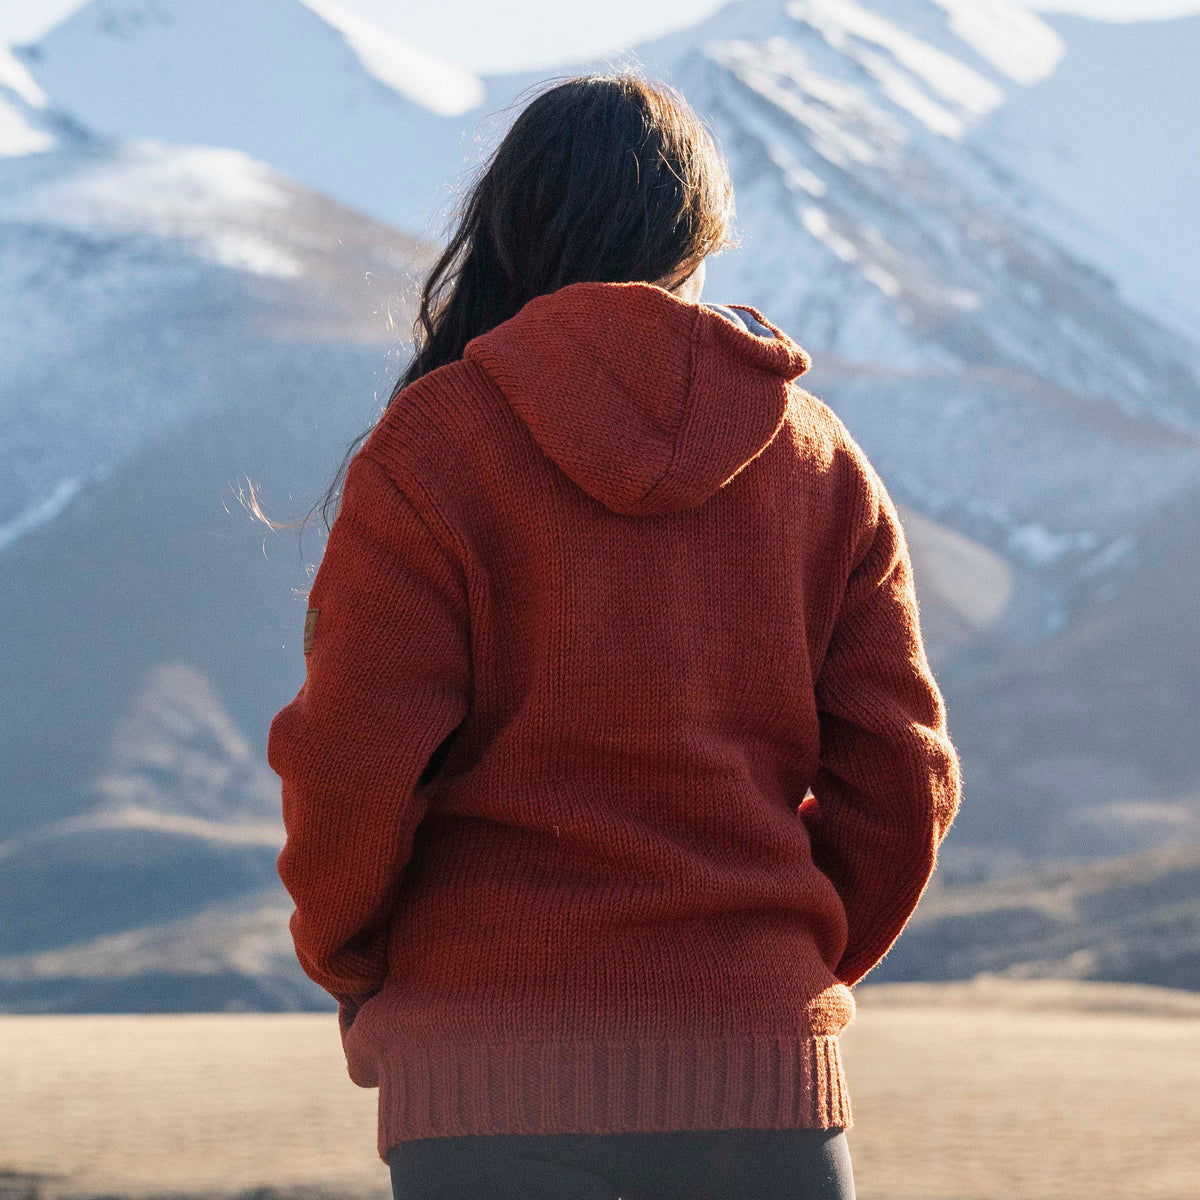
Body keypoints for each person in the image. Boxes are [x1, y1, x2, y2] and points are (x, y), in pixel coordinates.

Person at [265, 70, 963, 1200]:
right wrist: (771, 970)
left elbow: (351, 759)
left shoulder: (433, 447)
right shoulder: (817, 459)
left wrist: (355, 961)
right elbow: (905, 774)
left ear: (507, 225)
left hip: (483, 1072)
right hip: (759, 1073)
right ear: (698, 231)